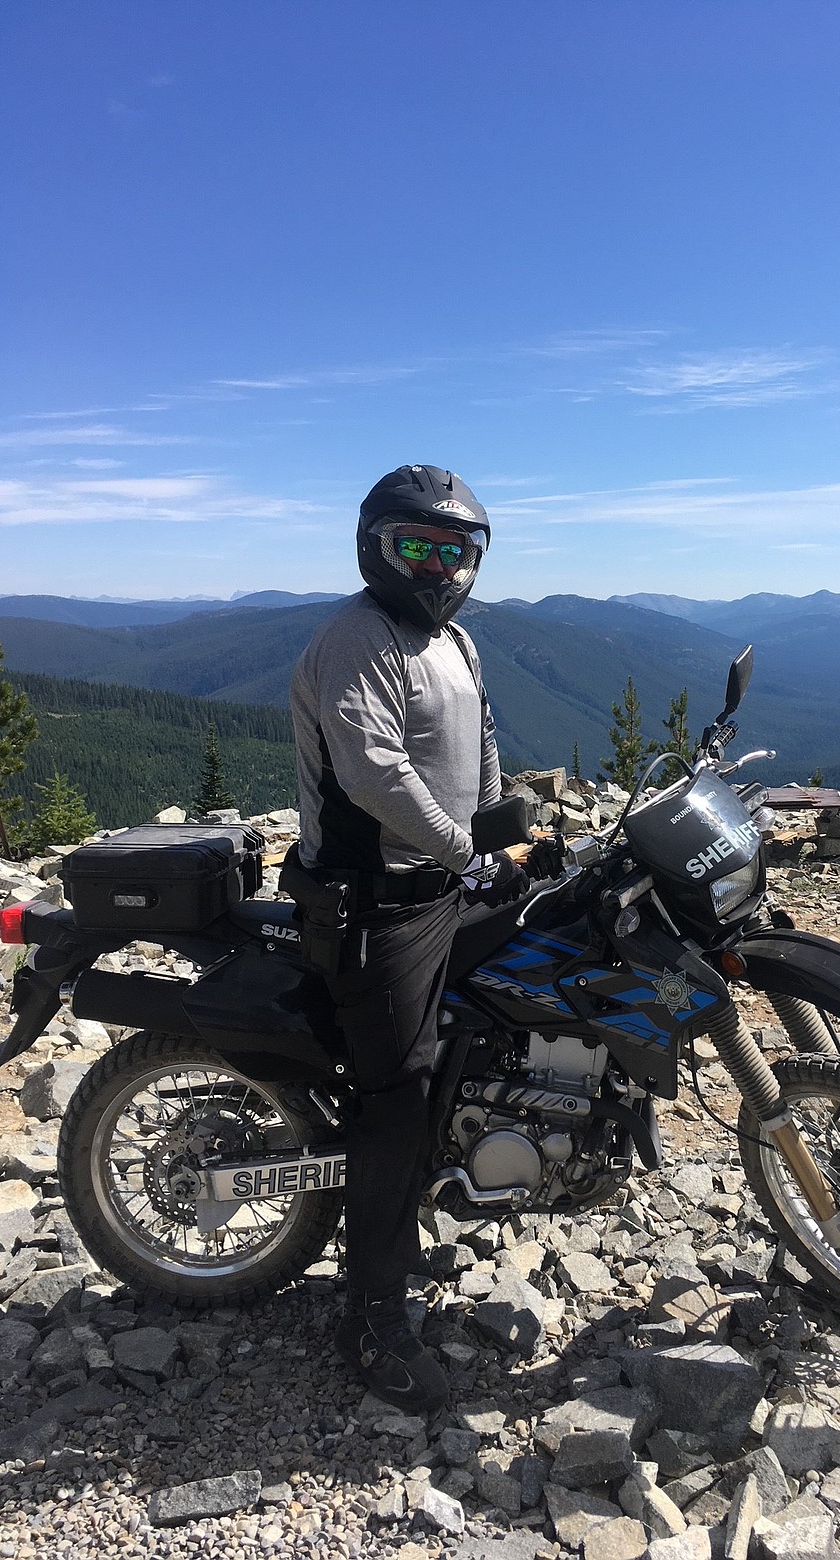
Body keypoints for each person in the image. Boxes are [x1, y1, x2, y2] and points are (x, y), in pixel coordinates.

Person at [289, 464, 530, 1413]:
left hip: (442, 881)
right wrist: (471, 859)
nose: (438, 567)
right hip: (376, 903)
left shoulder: (454, 642)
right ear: (375, 547)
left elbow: (481, 749)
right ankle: (371, 1317)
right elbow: (378, 774)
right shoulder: (356, 638)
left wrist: (519, 830)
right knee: (400, 1087)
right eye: (417, 547)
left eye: (455, 550)